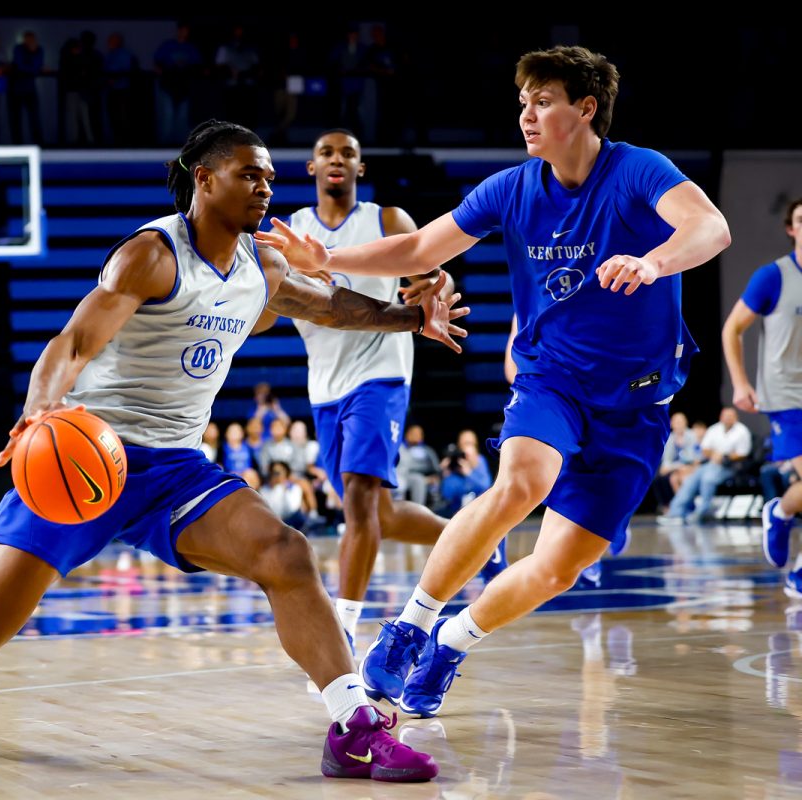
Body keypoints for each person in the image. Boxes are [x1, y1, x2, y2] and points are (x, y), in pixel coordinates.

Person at [0, 120, 468, 782]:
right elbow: (72, 345)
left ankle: (352, 729)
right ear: (205, 178)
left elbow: (332, 305)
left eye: (270, 178)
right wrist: (36, 411)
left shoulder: (263, 263)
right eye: (250, 174)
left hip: (174, 470)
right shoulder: (151, 254)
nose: (266, 188)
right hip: (86, 458)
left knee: (285, 553)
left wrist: (409, 318)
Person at [257, 46, 730, 715]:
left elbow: (711, 226)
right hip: (554, 379)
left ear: (586, 107)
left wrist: (655, 262)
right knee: (521, 482)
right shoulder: (510, 189)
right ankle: (408, 628)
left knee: (560, 567)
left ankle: (452, 639)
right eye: (522, 103)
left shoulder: (636, 171)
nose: (527, 116)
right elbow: (422, 248)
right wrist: (327, 257)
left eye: (542, 101)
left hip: (638, 405)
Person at [267, 128, 460, 655]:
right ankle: (475, 541)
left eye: (347, 153)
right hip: (324, 382)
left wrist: (435, 286)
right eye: (326, 152)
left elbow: (437, 277)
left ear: (360, 168)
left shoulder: (387, 219)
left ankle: (344, 629)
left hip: (381, 370)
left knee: (356, 499)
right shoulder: (290, 230)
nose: (336, 159)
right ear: (311, 168)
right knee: (381, 515)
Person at [724, 198, 802, 596]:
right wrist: (740, 383)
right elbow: (732, 329)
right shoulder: (773, 277)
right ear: (791, 228)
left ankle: (781, 511)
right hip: (787, 397)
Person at [657, 408, 752, 525]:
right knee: (691, 480)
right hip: (711, 464)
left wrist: (724, 456)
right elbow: (705, 449)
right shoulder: (714, 429)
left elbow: (743, 454)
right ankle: (675, 513)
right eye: (725, 416)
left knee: (708, 480)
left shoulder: (742, 431)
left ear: (736, 418)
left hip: (730, 466)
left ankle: (700, 513)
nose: (727, 418)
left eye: (730, 416)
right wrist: (714, 454)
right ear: (721, 417)